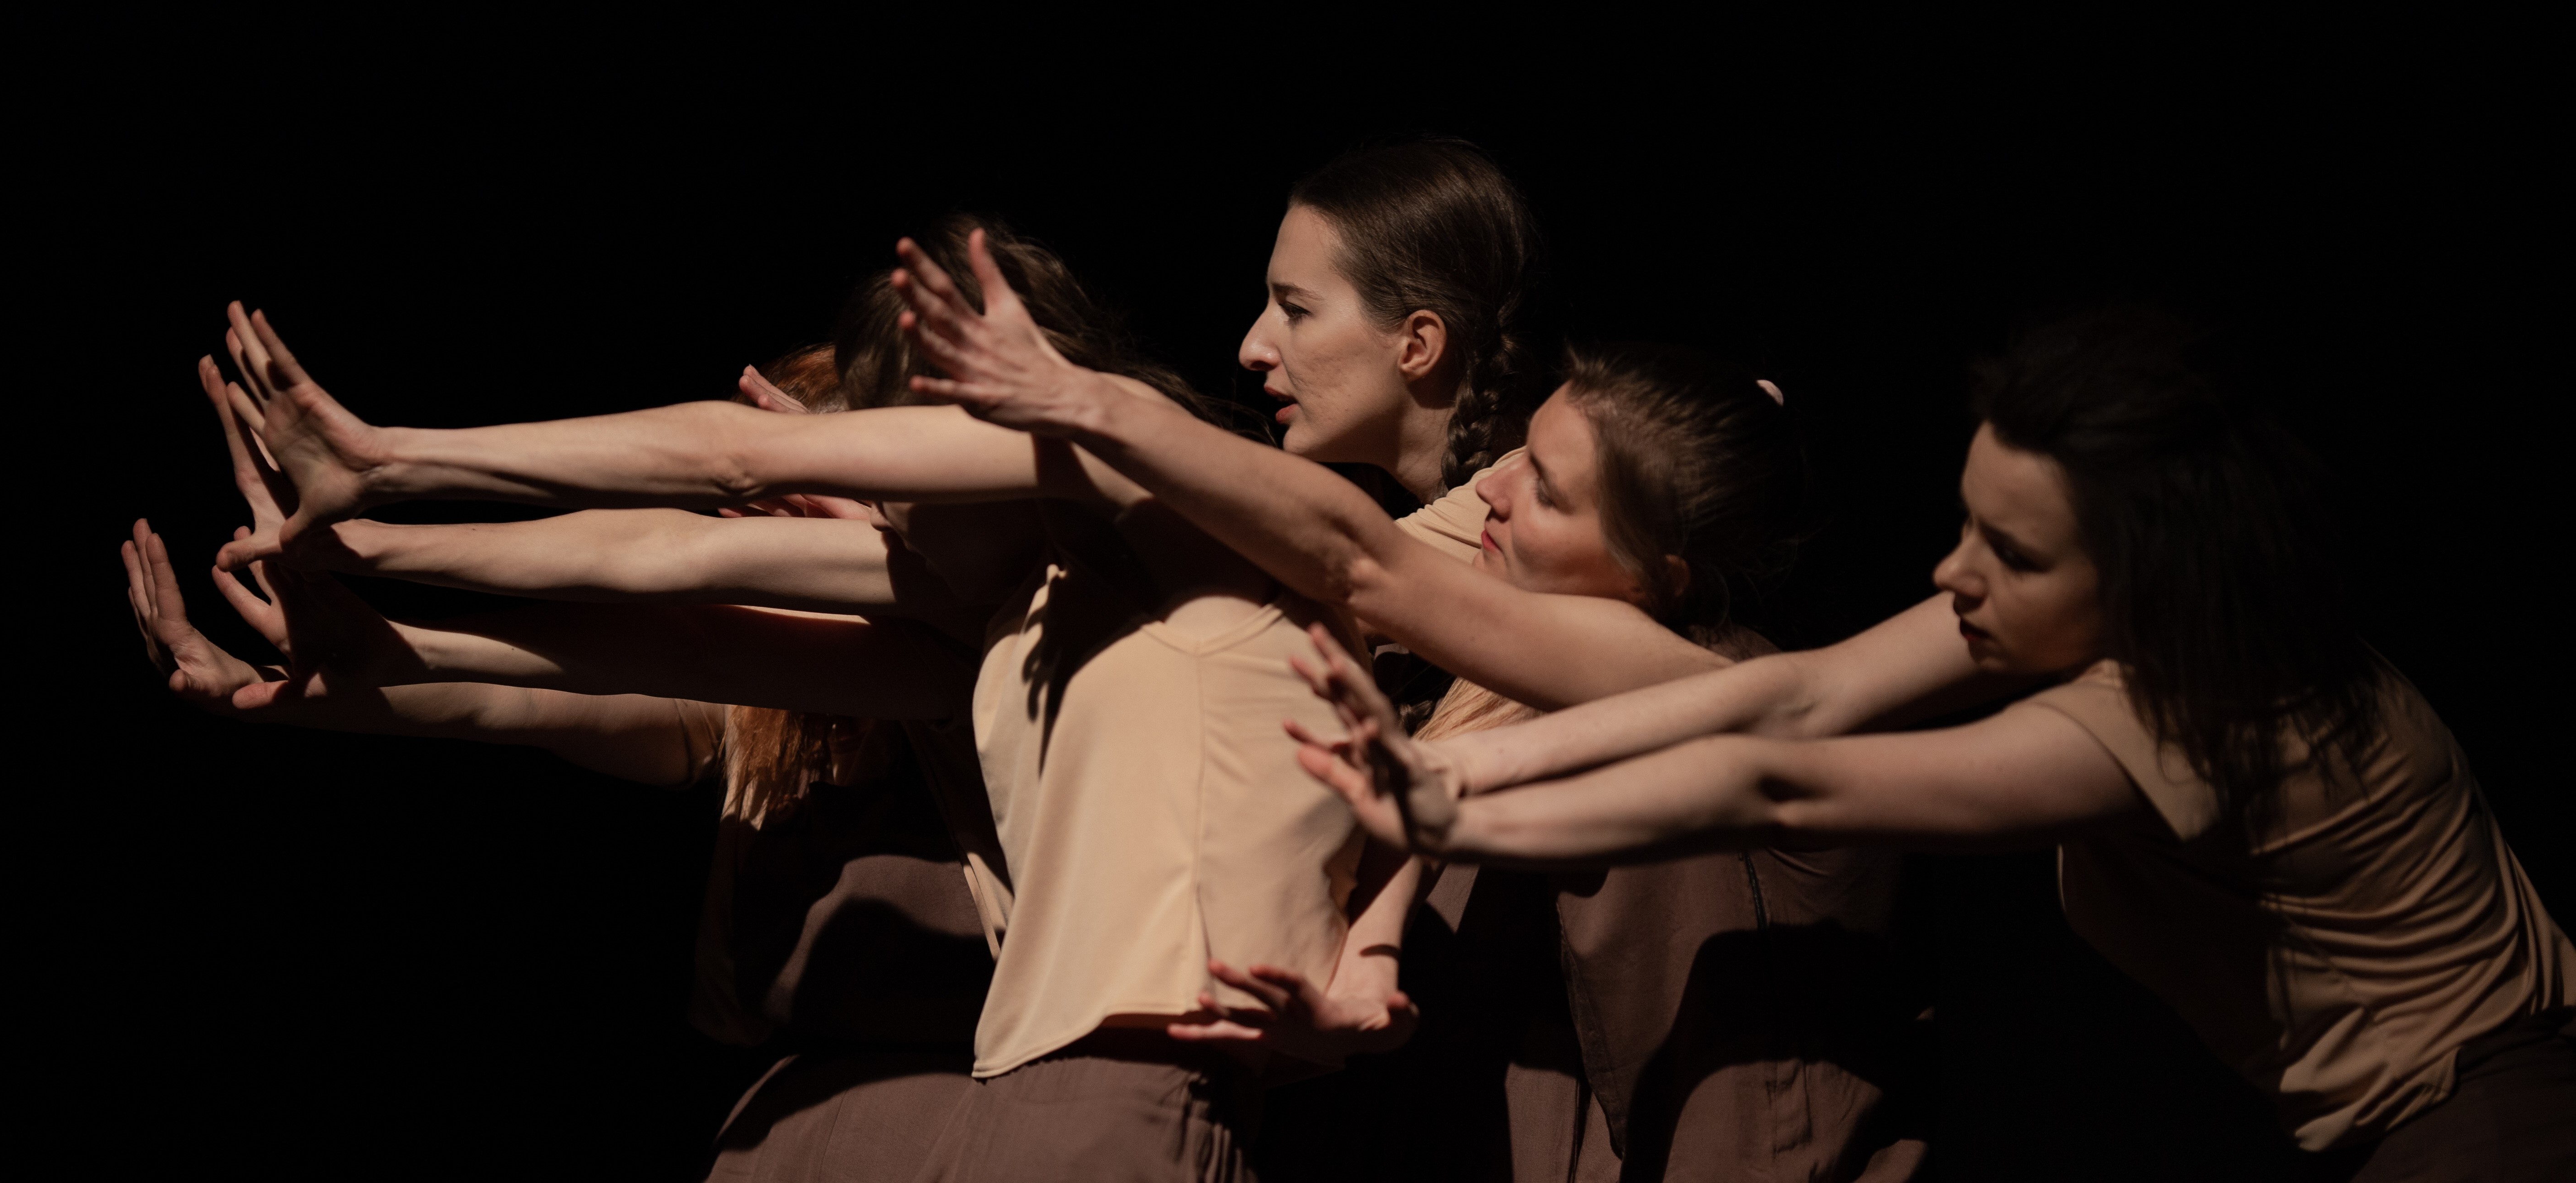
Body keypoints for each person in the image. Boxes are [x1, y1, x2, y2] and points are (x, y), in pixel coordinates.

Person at [198, 219, 1423, 1181]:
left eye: (895, 474)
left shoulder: (1146, 494)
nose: (887, 518)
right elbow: (682, 582)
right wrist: (372, 570)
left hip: (1136, 1080)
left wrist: (393, 456)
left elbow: (735, 457)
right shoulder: (1000, 627)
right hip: (1041, 1089)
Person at [1301, 308, 2576, 1180]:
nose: (1949, 573)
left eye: (2010, 552)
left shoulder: (2183, 705)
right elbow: (1798, 700)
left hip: (2495, 1123)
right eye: (1969, 522)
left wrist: (1462, 816)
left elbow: (1786, 780)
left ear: (2136, 574)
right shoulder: (2092, 613)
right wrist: (1458, 772)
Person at [895, 205, 1927, 1180]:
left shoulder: (1722, 686)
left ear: (1663, 573)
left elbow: (1363, 562)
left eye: (1550, 490)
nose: (1496, 489)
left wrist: (1087, 406)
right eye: (1520, 459)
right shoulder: (1498, 701)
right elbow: (1433, 811)